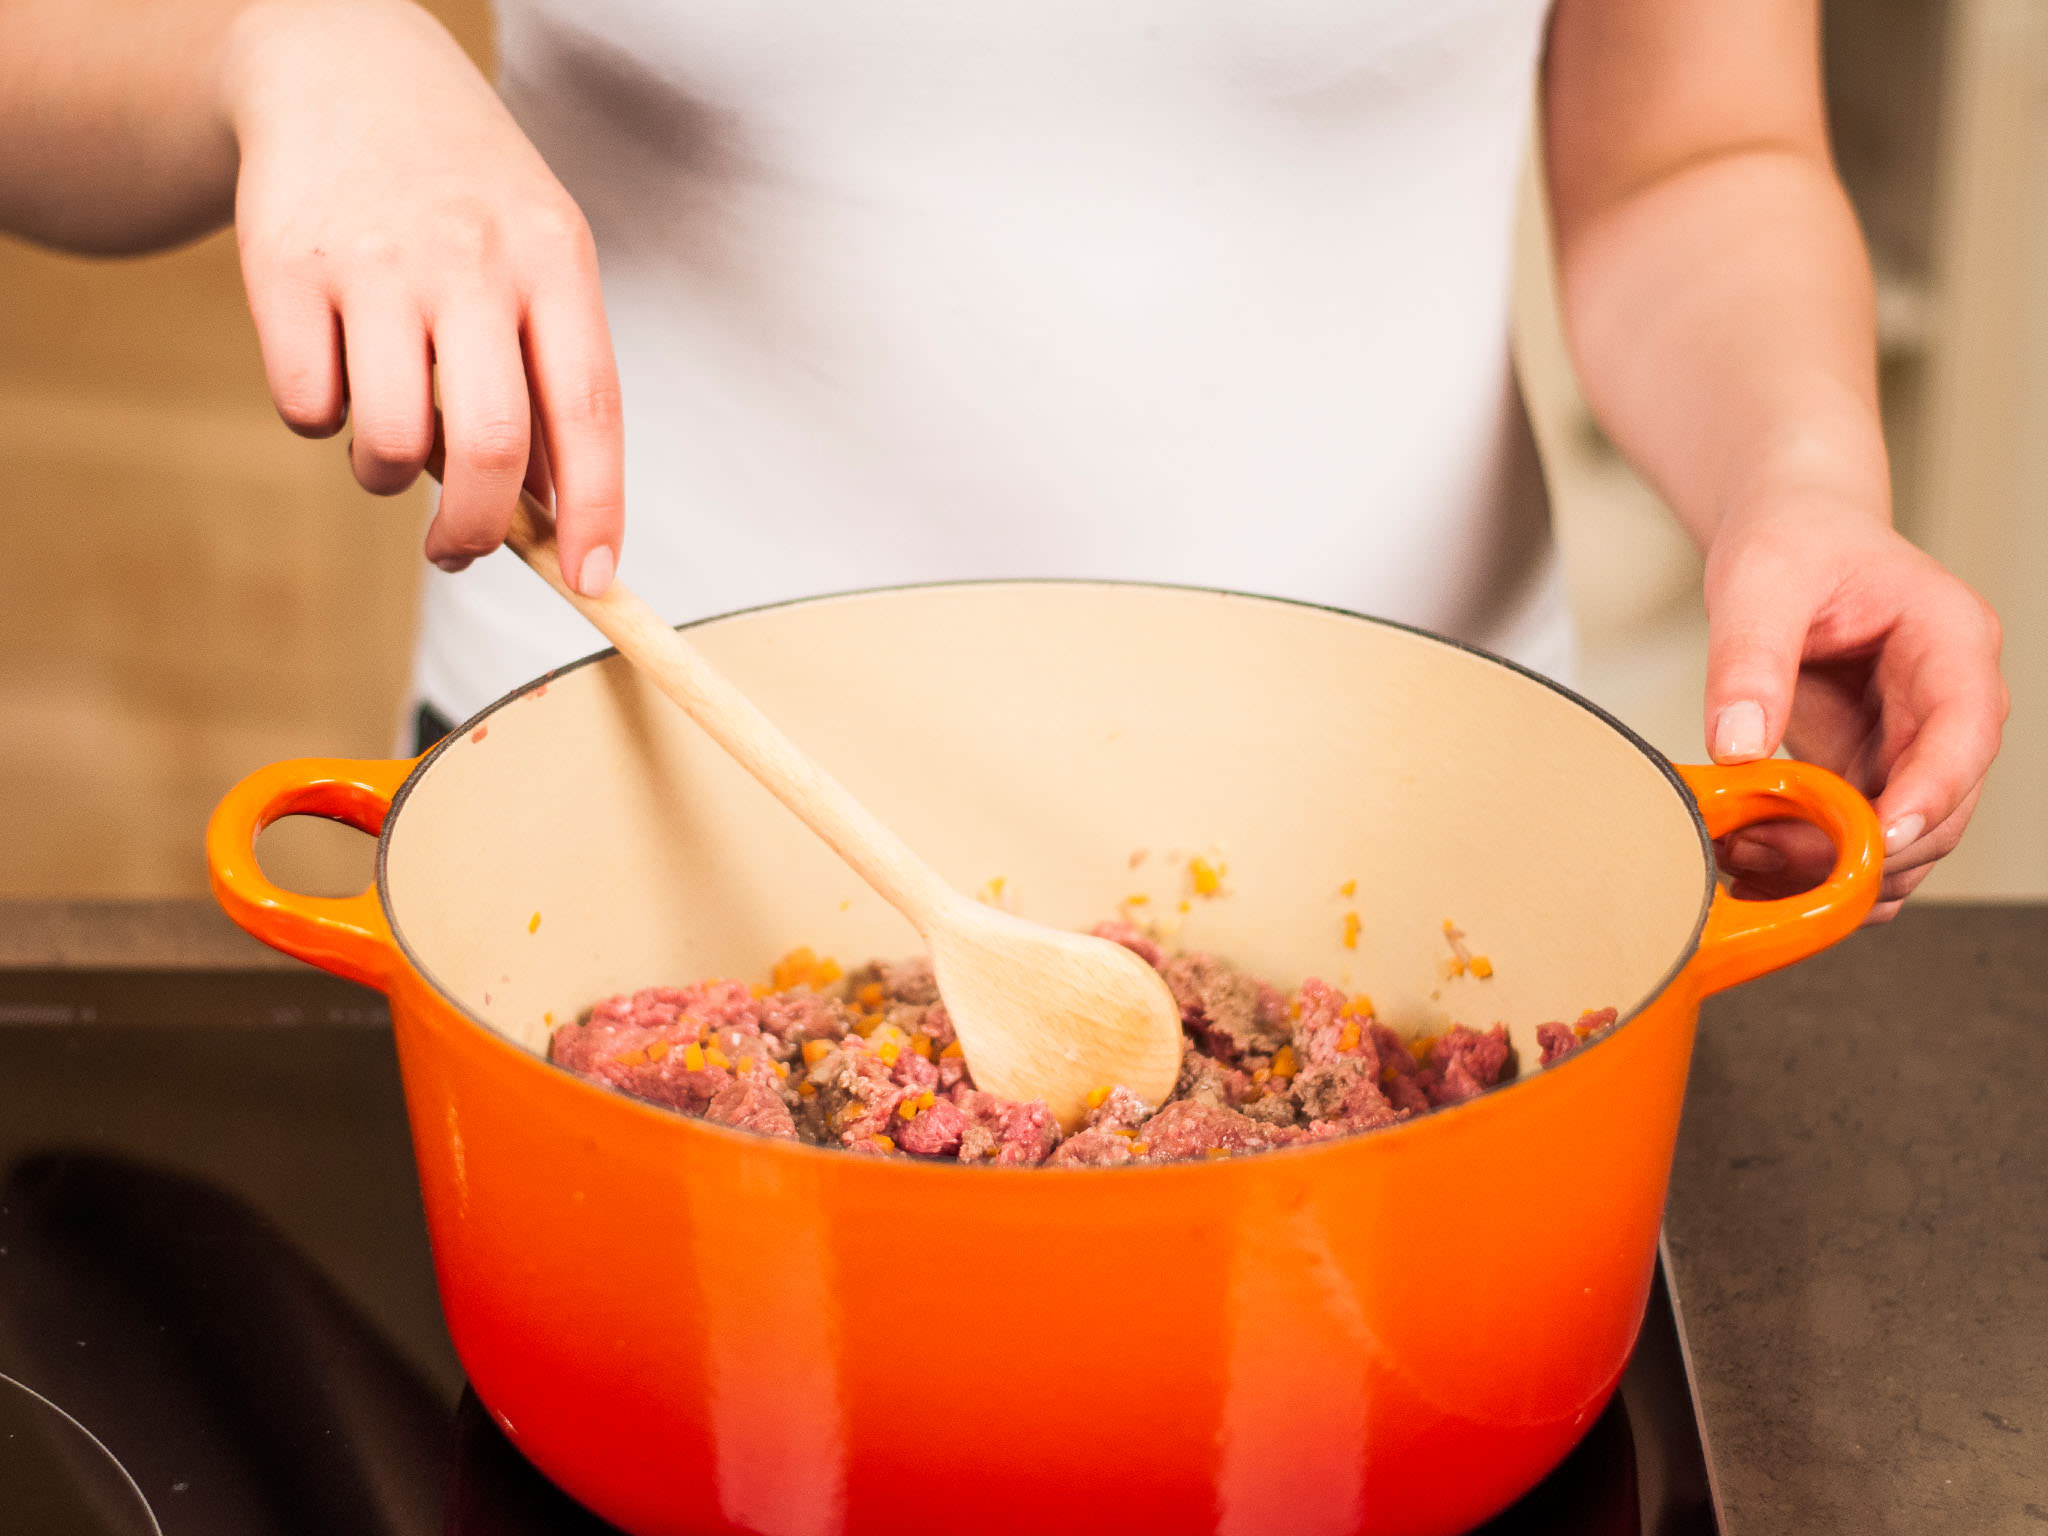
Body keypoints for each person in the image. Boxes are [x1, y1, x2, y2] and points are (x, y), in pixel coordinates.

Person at [0, 0, 2006, 922]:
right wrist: (277, 44)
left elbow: (1695, 154)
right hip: (619, 878)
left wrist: (1796, 477)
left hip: (1413, 881)